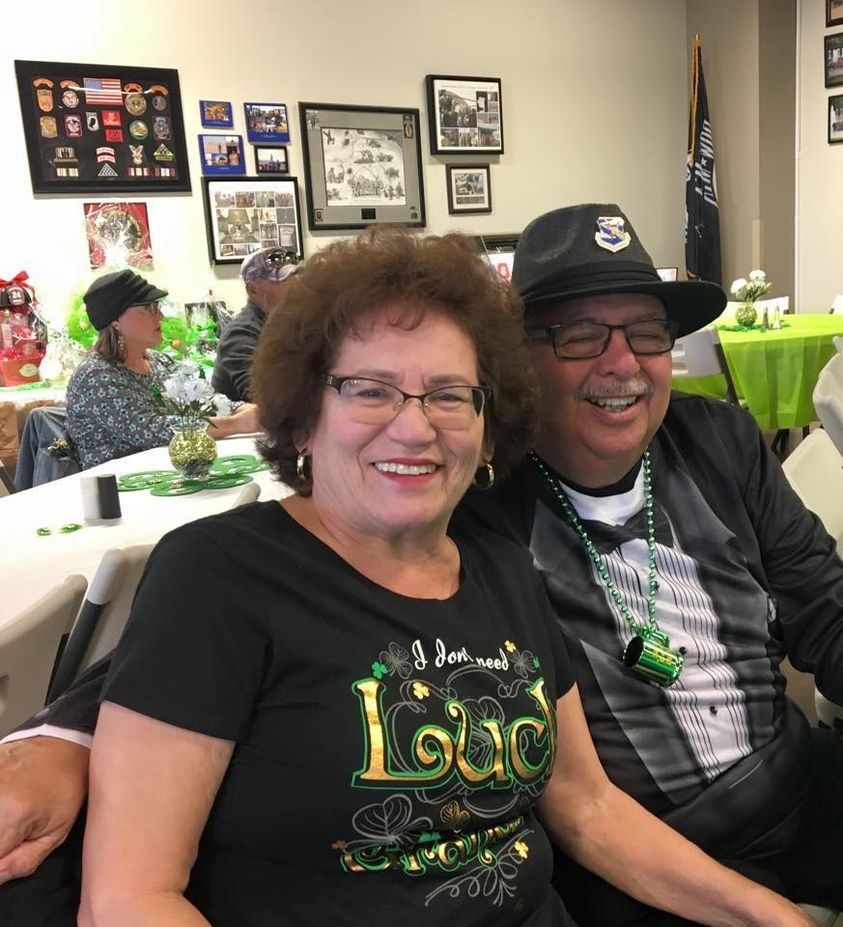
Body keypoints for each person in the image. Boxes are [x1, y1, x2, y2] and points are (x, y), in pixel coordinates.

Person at [1, 229, 812, 927]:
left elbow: (588, 807)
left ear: (488, 425)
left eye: (450, 394)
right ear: (301, 413)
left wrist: (767, 915)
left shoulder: (501, 569)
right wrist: (60, 735)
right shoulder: (219, 574)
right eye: (370, 388)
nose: (415, 424)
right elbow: (130, 899)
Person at [460, 203, 843, 925]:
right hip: (643, 851)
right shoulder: (479, 510)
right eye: (580, 335)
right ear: (518, 359)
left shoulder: (719, 442)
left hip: (794, 778)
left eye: (646, 332)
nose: (623, 363)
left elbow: (824, 609)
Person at [66, 269, 259, 469]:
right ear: (115, 322)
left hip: (169, 472)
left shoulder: (159, 361)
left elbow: (202, 397)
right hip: (121, 487)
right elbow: (150, 429)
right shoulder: (95, 375)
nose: (160, 315)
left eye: (156, 306)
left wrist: (241, 409)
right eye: (148, 308)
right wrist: (236, 424)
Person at [210, 246, 300, 402]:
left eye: (293, 279)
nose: (294, 288)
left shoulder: (289, 324)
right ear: (252, 290)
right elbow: (264, 399)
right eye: (283, 281)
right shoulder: (239, 335)